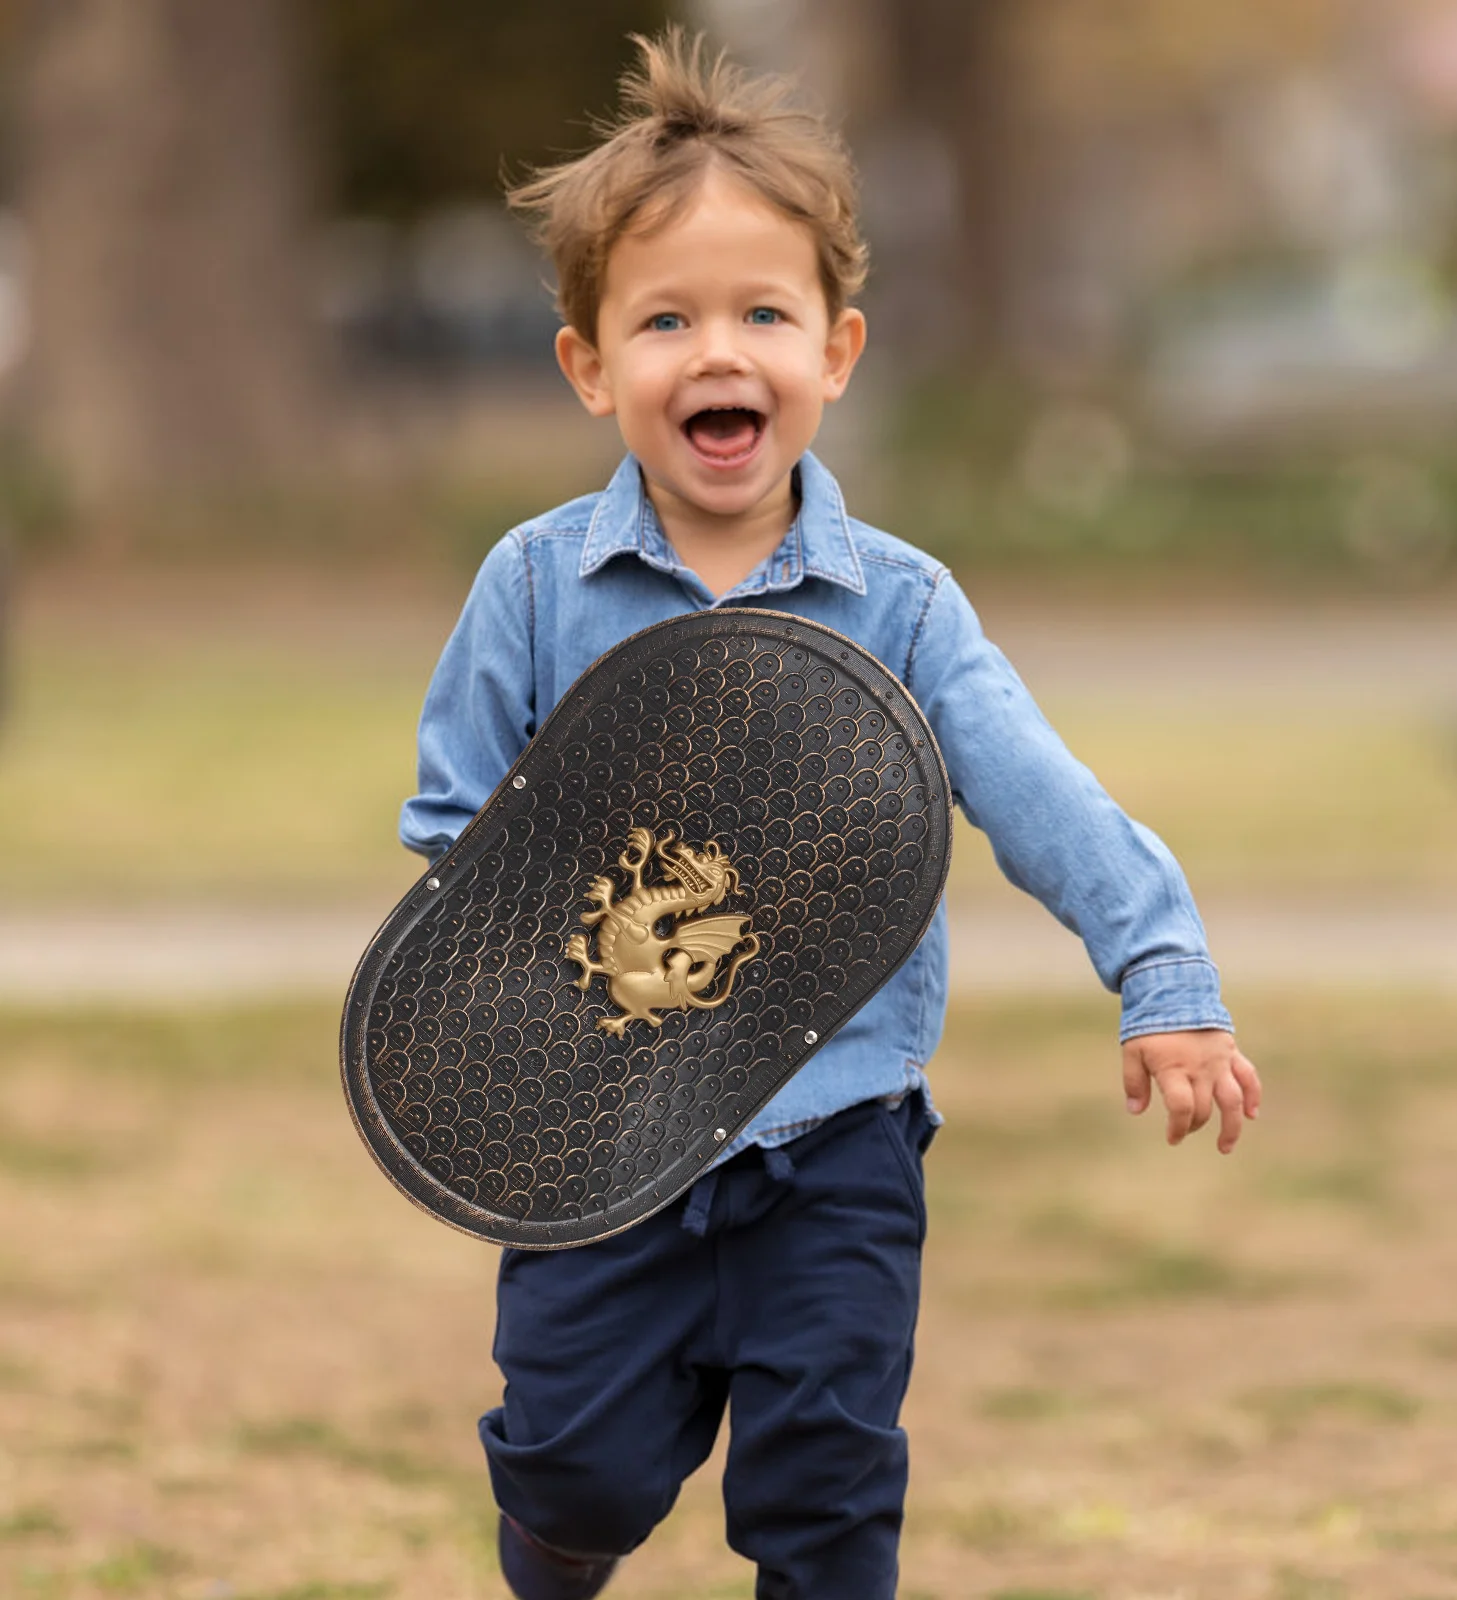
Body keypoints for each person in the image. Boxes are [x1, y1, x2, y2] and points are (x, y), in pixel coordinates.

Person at [399, 27, 1262, 1600]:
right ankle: (558, 1534)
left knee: (828, 1481)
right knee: (580, 1461)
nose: (718, 352)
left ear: (837, 351)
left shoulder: (905, 613)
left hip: (837, 1137)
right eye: (664, 319)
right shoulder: (532, 589)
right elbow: (458, 820)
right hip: (600, 1148)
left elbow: (1039, 795)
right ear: (590, 366)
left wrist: (1165, 974)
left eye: (762, 314)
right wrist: (565, 935)